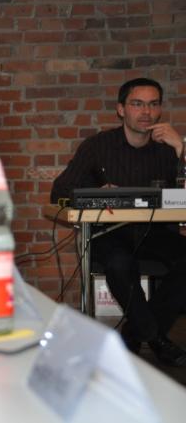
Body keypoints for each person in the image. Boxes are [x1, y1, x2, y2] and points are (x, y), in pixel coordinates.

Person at [51, 78, 186, 367]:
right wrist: (95, 193)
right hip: (108, 234)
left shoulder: (167, 149)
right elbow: (59, 190)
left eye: (153, 104)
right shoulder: (98, 146)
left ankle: (137, 332)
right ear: (121, 109)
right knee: (119, 262)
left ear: (160, 109)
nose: (146, 112)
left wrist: (181, 149)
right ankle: (155, 338)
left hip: (153, 233)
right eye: (137, 104)